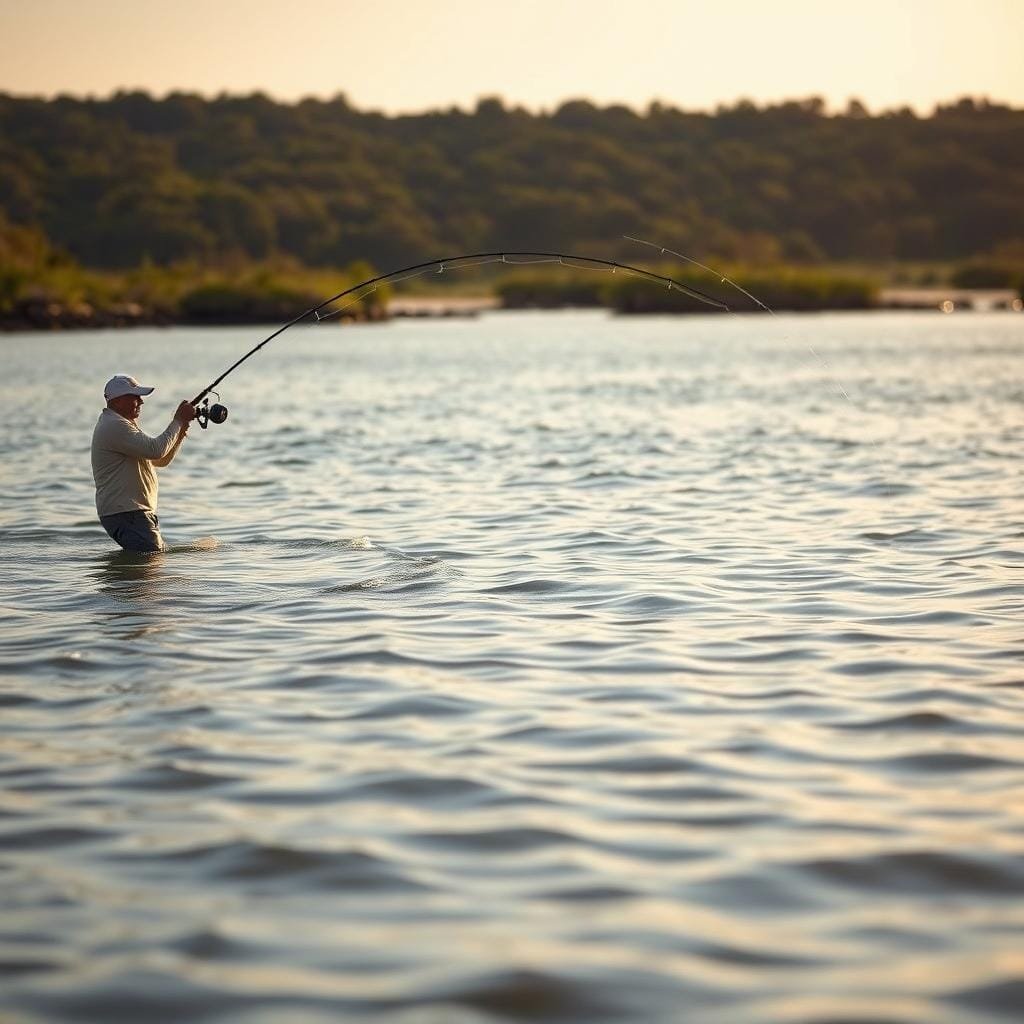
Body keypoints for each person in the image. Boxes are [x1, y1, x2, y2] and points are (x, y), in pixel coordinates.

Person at [91, 374, 196, 553]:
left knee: (149, 567)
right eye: (135, 397)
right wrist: (178, 420)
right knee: (150, 566)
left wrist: (182, 428)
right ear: (118, 401)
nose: (141, 402)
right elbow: (156, 450)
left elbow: (159, 460)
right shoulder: (115, 426)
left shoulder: (120, 424)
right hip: (127, 514)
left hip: (132, 514)